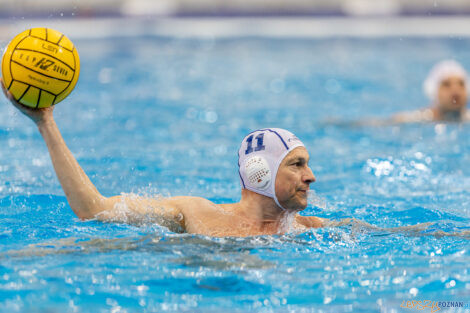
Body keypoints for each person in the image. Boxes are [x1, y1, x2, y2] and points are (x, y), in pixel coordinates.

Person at [1, 78, 324, 237]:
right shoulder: (194, 213)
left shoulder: (308, 229)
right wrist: (46, 123)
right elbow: (92, 209)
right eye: (297, 164)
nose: (310, 176)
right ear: (258, 172)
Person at [392, 59, 470, 123]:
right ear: (434, 92)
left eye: (461, 84)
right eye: (446, 84)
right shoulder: (418, 118)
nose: (456, 90)